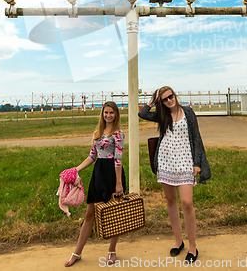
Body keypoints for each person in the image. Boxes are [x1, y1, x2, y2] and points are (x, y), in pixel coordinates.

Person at [138, 86, 211, 263]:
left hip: (186, 162)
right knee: (171, 201)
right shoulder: (162, 115)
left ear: (175, 96)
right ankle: (178, 242)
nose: (169, 100)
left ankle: (193, 246)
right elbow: (143, 114)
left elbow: (196, 138)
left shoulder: (188, 113)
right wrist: (153, 100)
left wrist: (197, 163)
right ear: (161, 102)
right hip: (166, 162)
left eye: (170, 96)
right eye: (164, 99)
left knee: (187, 203)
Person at [65, 101, 126, 267]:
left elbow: (118, 160)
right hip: (98, 174)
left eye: (111, 113)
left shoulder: (119, 134)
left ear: (116, 115)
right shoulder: (97, 133)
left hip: (113, 175)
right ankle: (77, 253)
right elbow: (92, 156)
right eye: (106, 112)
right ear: (102, 114)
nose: (108, 115)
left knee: (115, 214)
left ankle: (112, 251)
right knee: (89, 215)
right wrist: (76, 169)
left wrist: (119, 184)